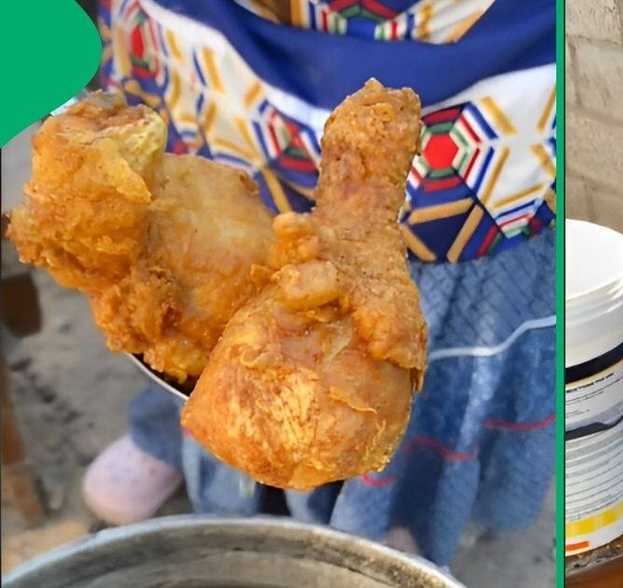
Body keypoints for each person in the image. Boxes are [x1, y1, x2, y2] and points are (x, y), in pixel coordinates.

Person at [81, 0, 556, 568]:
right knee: (187, 285)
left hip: (479, 51)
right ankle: (168, 437)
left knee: (409, 382)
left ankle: (397, 514)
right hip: (214, 42)